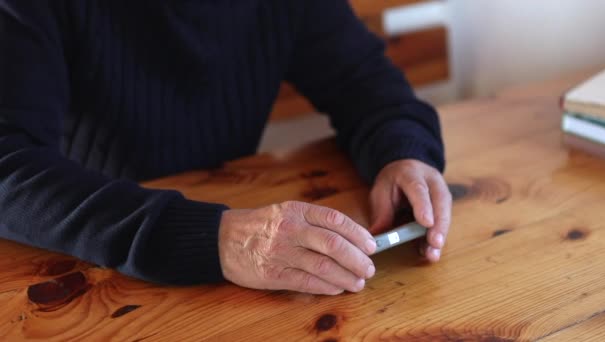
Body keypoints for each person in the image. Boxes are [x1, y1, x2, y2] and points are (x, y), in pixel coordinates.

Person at [0, 1, 451, 295]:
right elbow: (8, 171)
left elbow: (366, 83)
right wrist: (212, 237)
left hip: (235, 273)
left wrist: (404, 153)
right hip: (80, 269)